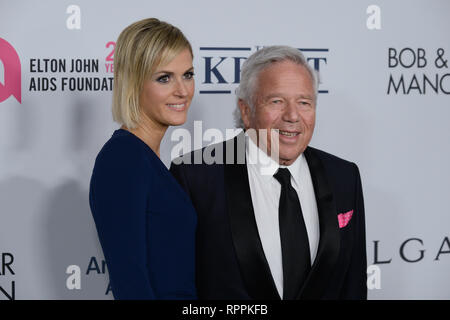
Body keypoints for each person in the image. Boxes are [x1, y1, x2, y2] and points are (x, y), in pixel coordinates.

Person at [170, 45, 367, 300]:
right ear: (246, 110)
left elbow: (353, 288)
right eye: (276, 101)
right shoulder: (195, 177)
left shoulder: (344, 176)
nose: (293, 116)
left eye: (304, 102)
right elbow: (176, 290)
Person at [89, 18, 197, 299]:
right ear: (134, 83)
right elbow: (131, 282)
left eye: (187, 74)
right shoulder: (123, 159)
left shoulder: (146, 159)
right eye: (164, 78)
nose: (182, 90)